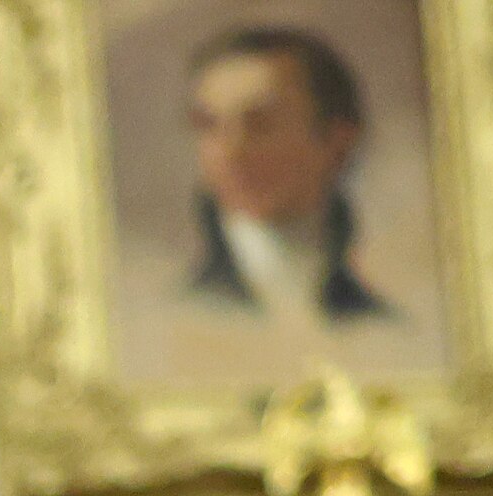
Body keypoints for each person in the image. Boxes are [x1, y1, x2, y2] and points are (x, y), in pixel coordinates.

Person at [171, 30, 400, 345]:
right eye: (209, 125)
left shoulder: (379, 324)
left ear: (337, 143)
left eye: (260, 124)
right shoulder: (177, 313)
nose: (229, 151)